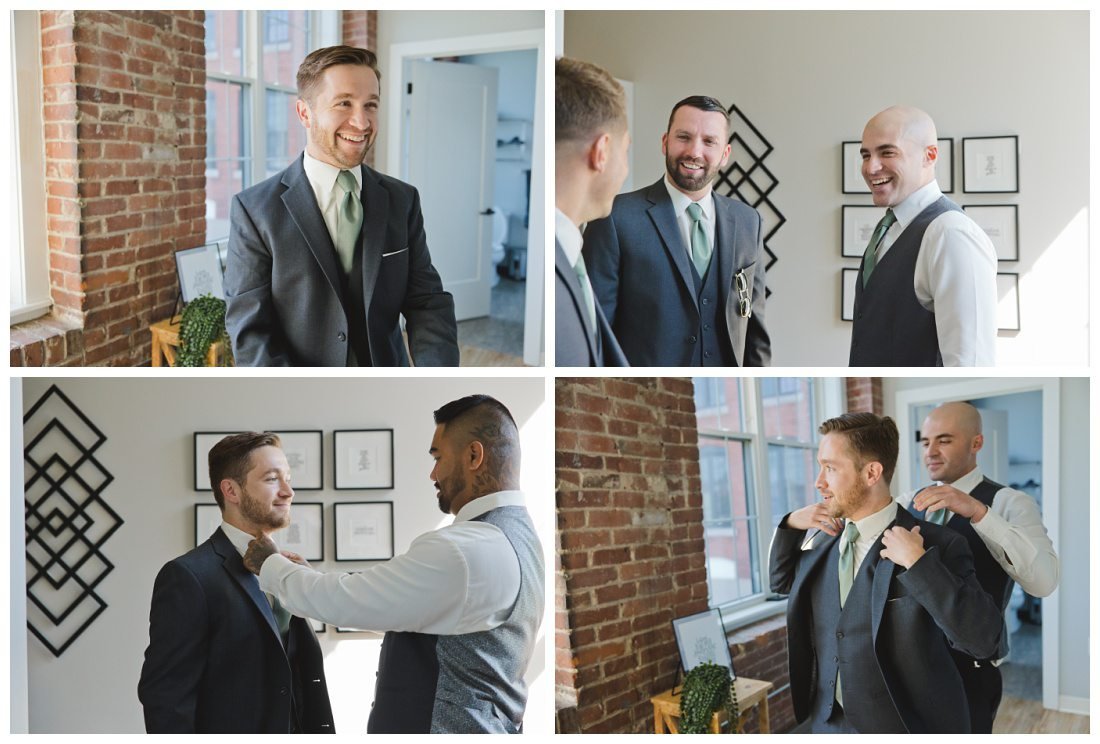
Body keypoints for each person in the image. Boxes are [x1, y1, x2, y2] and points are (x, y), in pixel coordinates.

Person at [243, 395, 544, 734]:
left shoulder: (465, 551)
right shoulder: (519, 536)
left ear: (473, 455)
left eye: (438, 457)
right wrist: (309, 577)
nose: (433, 473)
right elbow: (408, 608)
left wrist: (270, 565)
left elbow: (349, 600)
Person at [224, 45, 458, 367]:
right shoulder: (253, 211)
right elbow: (252, 332)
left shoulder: (403, 200)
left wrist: (437, 382)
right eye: (344, 103)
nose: (361, 122)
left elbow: (427, 302)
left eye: (371, 105)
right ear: (305, 113)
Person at [769, 412, 1003, 733]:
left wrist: (921, 567)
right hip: (826, 724)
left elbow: (984, 641)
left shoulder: (939, 546)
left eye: (830, 468)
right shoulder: (823, 537)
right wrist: (791, 522)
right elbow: (780, 583)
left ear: (871, 473)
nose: (818, 481)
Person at [138, 433, 334, 733]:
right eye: (272, 479)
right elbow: (166, 700)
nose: (288, 491)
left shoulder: (290, 570)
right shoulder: (188, 577)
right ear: (231, 490)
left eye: (288, 478)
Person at [898, 401, 1059, 732]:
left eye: (944, 440)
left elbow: (1044, 583)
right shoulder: (905, 502)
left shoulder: (1009, 502)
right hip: (909, 668)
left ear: (977, 444)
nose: (930, 451)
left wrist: (979, 513)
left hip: (969, 671)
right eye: (925, 441)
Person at [581, 95, 770, 367]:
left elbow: (755, 332)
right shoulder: (614, 217)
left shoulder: (748, 221)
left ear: (725, 154)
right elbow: (596, 333)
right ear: (665, 142)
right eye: (684, 137)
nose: (694, 151)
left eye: (709, 141)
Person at [850, 105, 997, 366]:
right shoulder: (888, 229)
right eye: (865, 155)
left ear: (929, 155)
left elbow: (970, 361)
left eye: (887, 152)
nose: (871, 168)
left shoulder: (950, 233)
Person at [554, 57, 630, 367]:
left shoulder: (570, 255)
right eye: (625, 153)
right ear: (602, 152)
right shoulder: (552, 268)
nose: (625, 169)